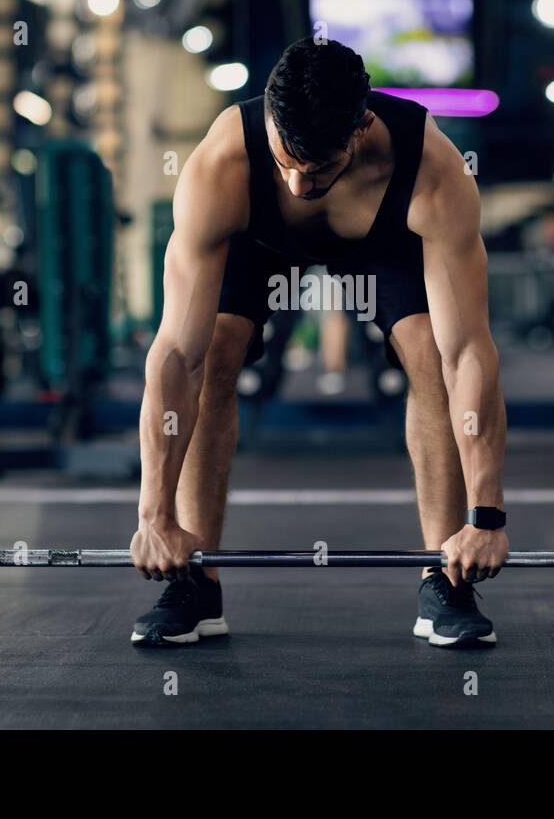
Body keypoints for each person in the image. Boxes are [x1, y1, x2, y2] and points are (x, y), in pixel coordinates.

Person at [129, 38, 508, 648]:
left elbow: (470, 352)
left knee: (434, 355)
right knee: (216, 351)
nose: (300, 185)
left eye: (319, 167)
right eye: (286, 162)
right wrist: (153, 517)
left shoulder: (431, 169)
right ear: (272, 123)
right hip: (258, 241)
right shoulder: (223, 163)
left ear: (360, 129)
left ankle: (448, 576)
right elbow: (178, 355)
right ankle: (194, 579)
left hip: (386, 242)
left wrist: (486, 517)